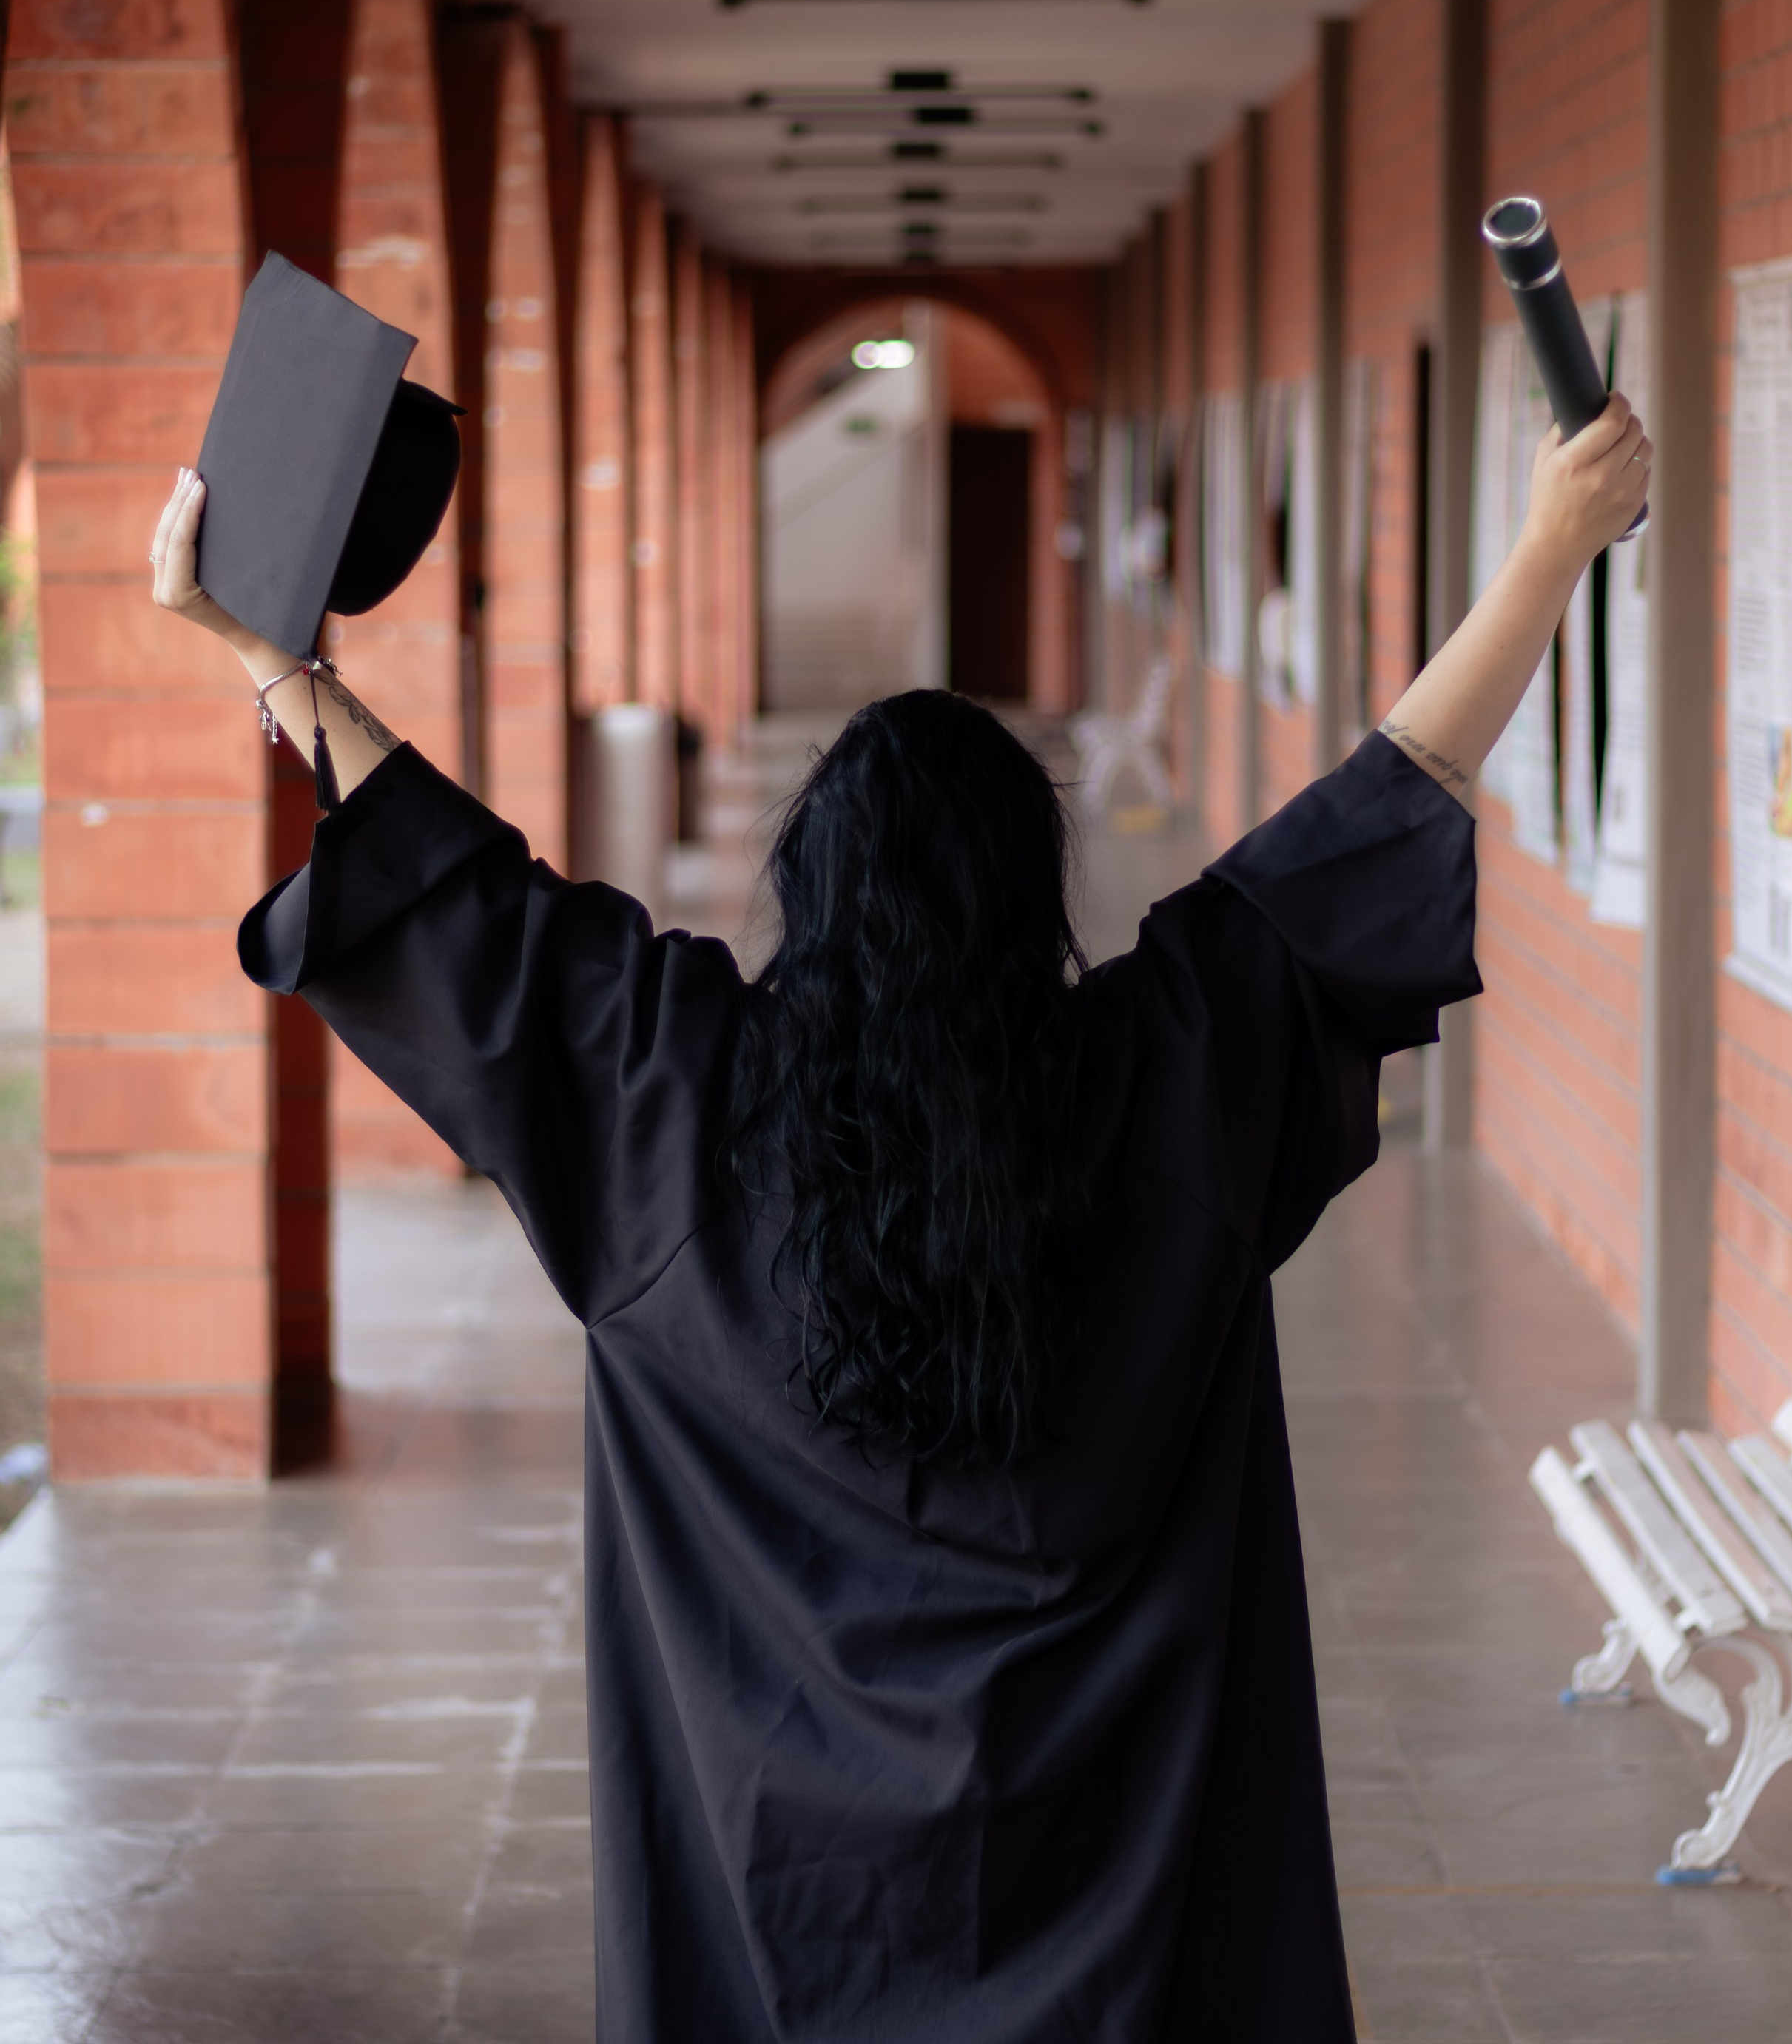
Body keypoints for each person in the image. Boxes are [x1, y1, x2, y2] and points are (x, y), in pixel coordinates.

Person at [149, 394, 1650, 2043]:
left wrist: (264, 655)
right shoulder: (1174, 1081)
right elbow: (1388, 796)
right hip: (1124, 1955)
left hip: (790, 1927)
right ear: (1031, 890)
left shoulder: (672, 1105)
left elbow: (467, 905)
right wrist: (1544, 548)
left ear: (814, 892)